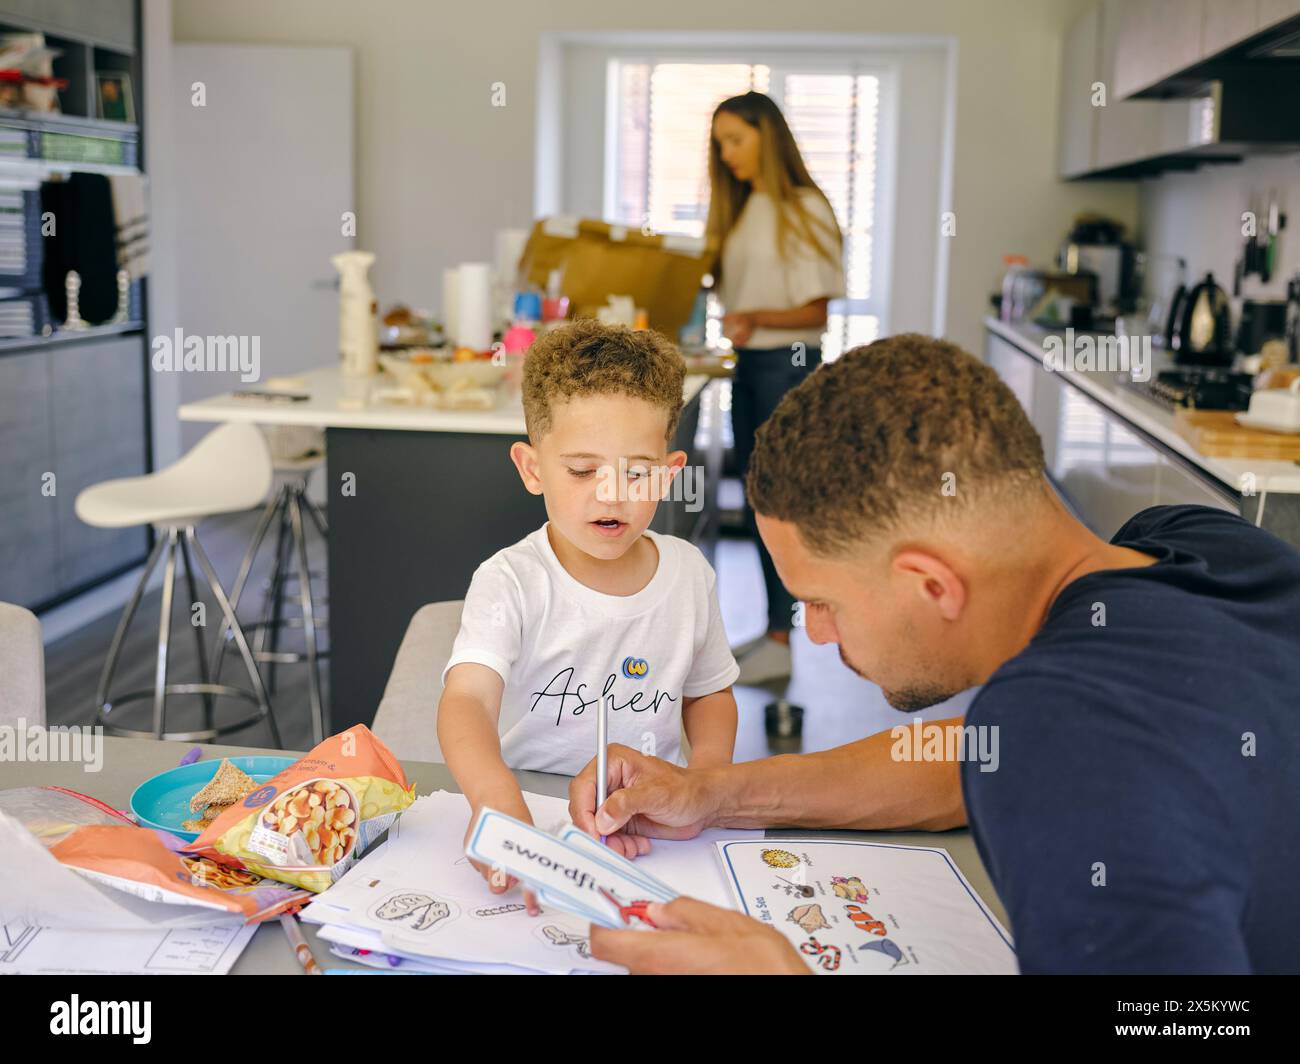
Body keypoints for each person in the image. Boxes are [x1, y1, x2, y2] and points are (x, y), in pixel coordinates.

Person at [571, 333, 1300, 974]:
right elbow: (976, 760)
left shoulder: (1065, 744)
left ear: (931, 584)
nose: (816, 633)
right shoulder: (1193, 542)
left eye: (822, 602)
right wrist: (710, 794)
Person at [437, 320, 740, 905]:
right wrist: (496, 800)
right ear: (531, 469)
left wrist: (704, 782)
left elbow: (710, 693)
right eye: (581, 470)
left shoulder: (690, 576)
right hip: (535, 815)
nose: (611, 493)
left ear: (671, 472)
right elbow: (468, 699)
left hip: (653, 827)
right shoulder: (510, 580)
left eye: (637, 471)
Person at [708, 91, 846, 684]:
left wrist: (752, 318)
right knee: (761, 501)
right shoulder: (745, 208)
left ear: (769, 137)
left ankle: (781, 639)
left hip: (786, 369)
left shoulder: (804, 206)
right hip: (751, 365)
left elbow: (816, 310)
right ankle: (774, 637)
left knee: (776, 506)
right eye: (720, 144)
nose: (727, 153)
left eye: (736, 140)